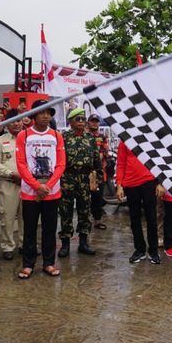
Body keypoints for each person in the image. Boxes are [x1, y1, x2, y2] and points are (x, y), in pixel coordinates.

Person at [15, 100, 65, 279]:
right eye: (42, 112)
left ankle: (49, 263)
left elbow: (60, 163)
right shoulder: (24, 135)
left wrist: (48, 186)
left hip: (52, 192)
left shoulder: (57, 136)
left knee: (49, 229)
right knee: (29, 229)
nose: (46, 116)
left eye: (49, 113)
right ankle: (28, 264)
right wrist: (36, 185)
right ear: (34, 115)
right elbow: (21, 163)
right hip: (30, 193)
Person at [59, 108, 102, 257]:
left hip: (84, 179)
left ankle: (84, 243)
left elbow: (96, 159)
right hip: (67, 178)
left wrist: (98, 178)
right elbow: (58, 160)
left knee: (85, 211)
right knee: (66, 211)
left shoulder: (90, 138)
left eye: (83, 119)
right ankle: (65, 243)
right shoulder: (63, 137)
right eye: (78, 119)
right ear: (70, 121)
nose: (82, 122)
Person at [116, 141, 163, 264]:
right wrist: (119, 185)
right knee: (134, 218)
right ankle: (140, 250)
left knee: (151, 217)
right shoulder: (124, 140)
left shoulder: (149, 137)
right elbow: (120, 163)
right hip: (130, 184)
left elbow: (159, 160)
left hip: (149, 182)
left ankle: (153, 251)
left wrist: (160, 182)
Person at [0, 108, 24, 260]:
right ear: (6, 123)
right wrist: (11, 173)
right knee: (7, 218)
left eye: (19, 120)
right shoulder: (0, 141)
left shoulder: (29, 139)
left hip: (28, 185)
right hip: (8, 183)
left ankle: (26, 245)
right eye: (12, 121)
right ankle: (8, 247)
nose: (16, 124)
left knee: (28, 218)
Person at [87, 113, 109, 231]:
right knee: (85, 198)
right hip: (85, 173)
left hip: (99, 173)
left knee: (97, 199)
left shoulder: (102, 137)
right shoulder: (84, 136)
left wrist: (94, 159)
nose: (94, 123)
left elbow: (103, 153)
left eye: (96, 121)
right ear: (88, 122)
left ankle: (97, 221)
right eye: (92, 121)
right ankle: (86, 221)